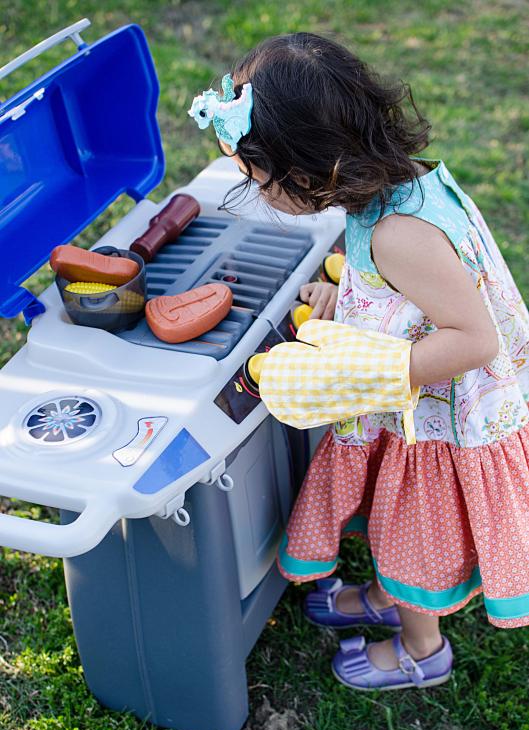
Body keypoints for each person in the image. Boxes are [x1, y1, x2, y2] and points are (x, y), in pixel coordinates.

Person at [188, 32, 529, 691]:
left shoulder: (401, 234)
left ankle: (420, 646)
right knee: (394, 520)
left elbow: (471, 339)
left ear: (313, 174)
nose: (251, 189)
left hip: (439, 425)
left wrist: (365, 373)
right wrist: (347, 301)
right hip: (426, 408)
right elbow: (410, 301)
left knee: (410, 530)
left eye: (255, 178)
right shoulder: (393, 192)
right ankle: (389, 596)